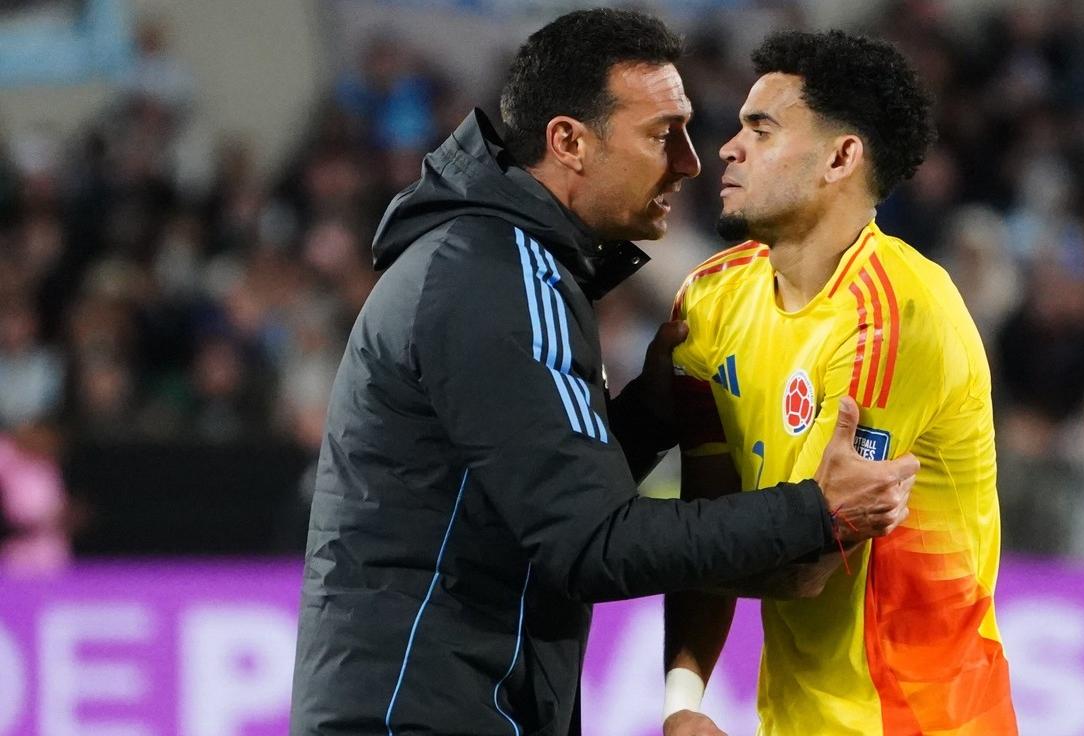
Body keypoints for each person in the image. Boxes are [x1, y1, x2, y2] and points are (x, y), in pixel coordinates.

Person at [290, 11, 920, 736]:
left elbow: (526, 493)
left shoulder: (491, 263)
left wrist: (652, 412)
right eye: (662, 134)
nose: (690, 161)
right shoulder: (498, 279)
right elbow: (589, 543)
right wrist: (814, 509)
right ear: (569, 143)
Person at [662, 31, 1017, 735]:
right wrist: (682, 700)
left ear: (841, 157)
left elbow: (801, 565)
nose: (727, 148)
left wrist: (603, 547)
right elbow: (711, 514)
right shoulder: (710, 302)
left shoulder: (899, 314)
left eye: (760, 129)